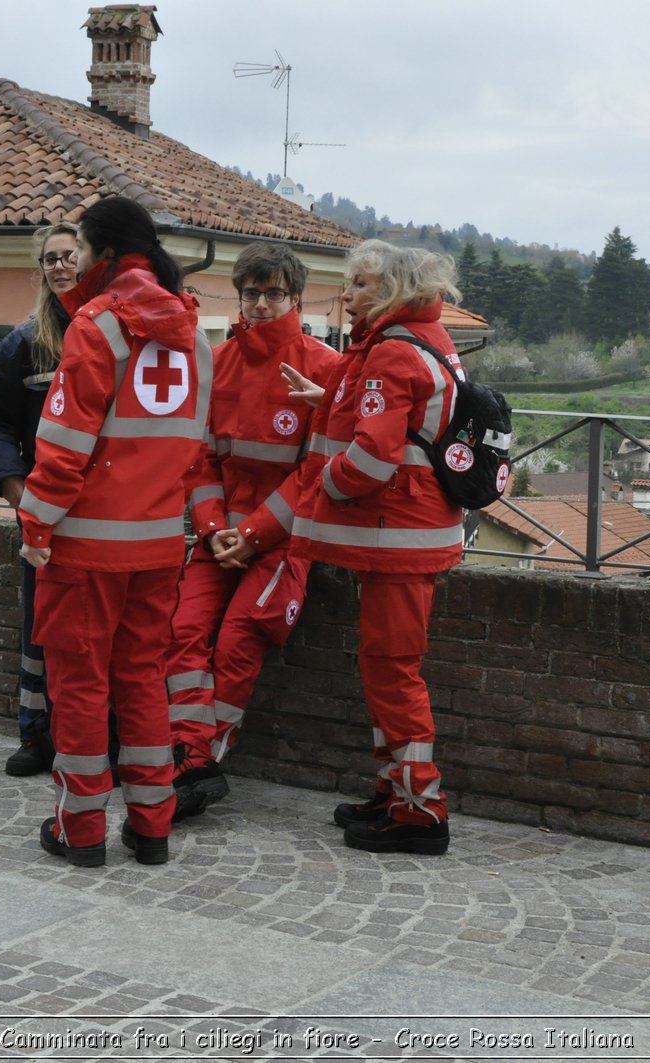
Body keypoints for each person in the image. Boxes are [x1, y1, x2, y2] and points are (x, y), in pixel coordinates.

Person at [18, 197, 210, 867]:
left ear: (102, 257)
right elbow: (192, 444)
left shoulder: (97, 326)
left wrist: (35, 521)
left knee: (78, 686)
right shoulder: (195, 334)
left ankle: (81, 827)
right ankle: (153, 825)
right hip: (160, 542)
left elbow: (64, 444)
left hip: (87, 545)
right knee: (143, 678)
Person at [286, 239, 466, 856]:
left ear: (391, 290)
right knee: (384, 668)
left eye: (361, 284)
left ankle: (420, 810)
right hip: (411, 533)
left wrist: (325, 488)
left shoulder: (391, 351)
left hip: (400, 536)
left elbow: (371, 457)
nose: (349, 294)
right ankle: (396, 790)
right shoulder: (425, 339)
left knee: (392, 672)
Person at [164, 242, 340, 819]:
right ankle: (190, 759)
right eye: (251, 294)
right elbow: (203, 458)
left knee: (238, 643)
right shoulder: (218, 361)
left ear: (294, 297)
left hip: (283, 542)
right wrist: (214, 529)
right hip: (221, 540)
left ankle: (202, 758)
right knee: (182, 630)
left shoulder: (323, 367)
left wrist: (255, 534)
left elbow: (316, 473)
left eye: (273, 294)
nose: (261, 305)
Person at [0, 222, 79, 776]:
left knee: (92, 631)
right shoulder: (25, 342)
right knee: (39, 625)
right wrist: (15, 489)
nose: (59, 266)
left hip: (106, 513)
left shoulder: (115, 334)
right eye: (49, 258)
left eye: (69, 255)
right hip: (43, 516)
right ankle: (36, 735)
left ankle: (93, 736)